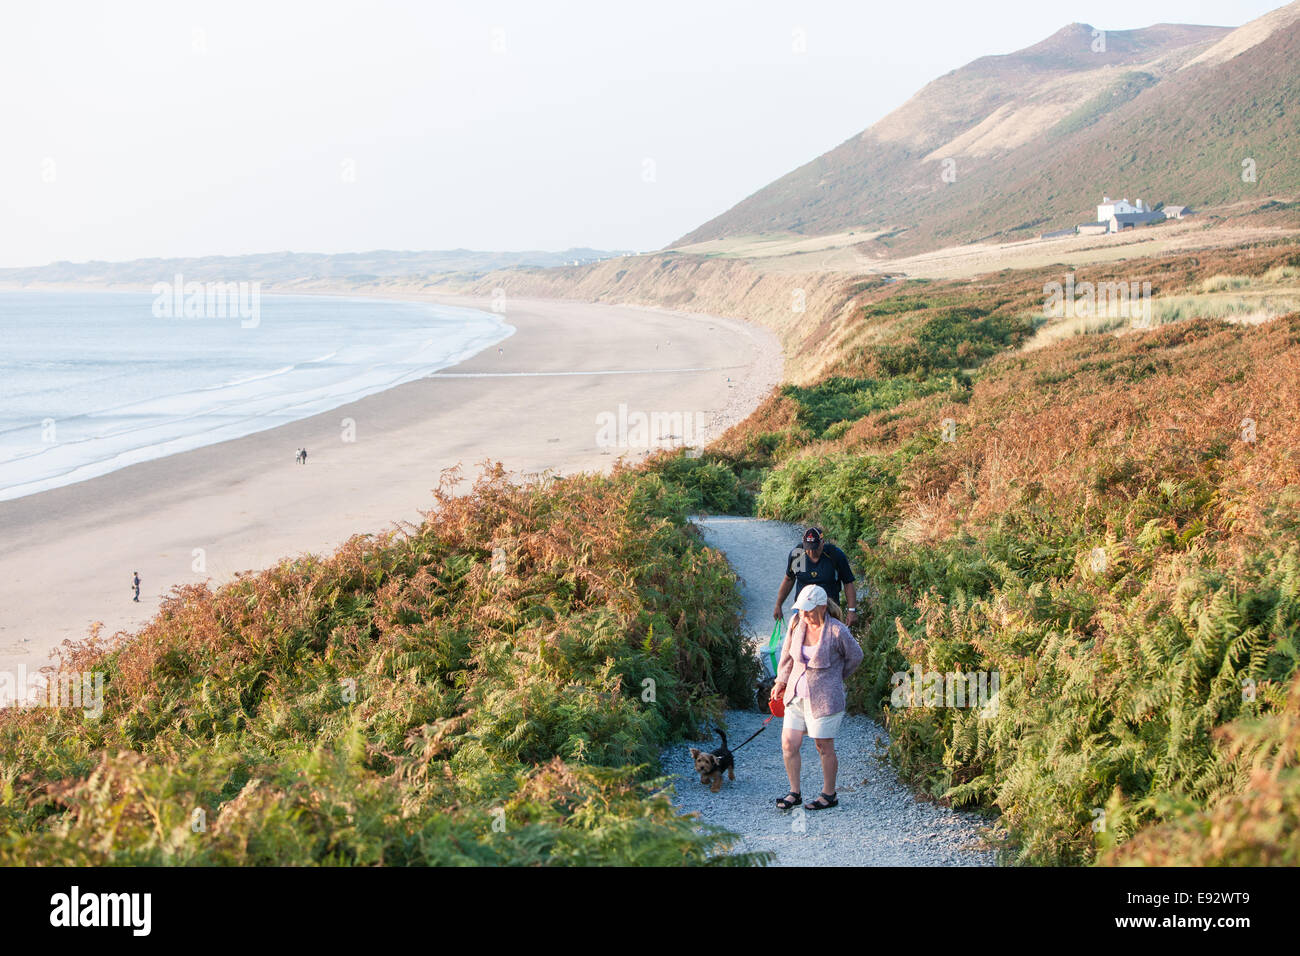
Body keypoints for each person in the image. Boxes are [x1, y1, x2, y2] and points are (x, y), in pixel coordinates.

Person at [771, 584, 863, 811]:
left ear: (822, 607)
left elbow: (856, 656)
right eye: (801, 610)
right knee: (788, 743)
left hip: (825, 700)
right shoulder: (796, 623)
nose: (804, 614)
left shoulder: (837, 630)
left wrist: (836, 676)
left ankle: (829, 794)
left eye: (808, 610)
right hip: (796, 696)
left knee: (823, 746)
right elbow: (787, 656)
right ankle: (794, 792)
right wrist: (780, 682)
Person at [773, 526, 859, 627]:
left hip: (828, 608)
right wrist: (778, 605)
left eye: (815, 548)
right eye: (808, 548)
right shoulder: (798, 554)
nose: (811, 552)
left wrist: (851, 610)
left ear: (822, 542)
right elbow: (789, 579)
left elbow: (848, 582)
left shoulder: (834, 555)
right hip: (803, 607)